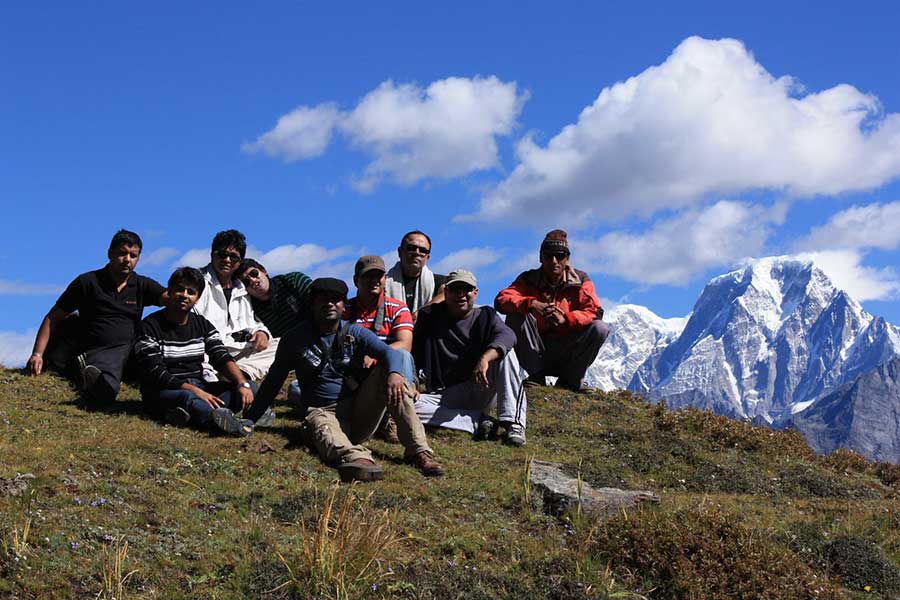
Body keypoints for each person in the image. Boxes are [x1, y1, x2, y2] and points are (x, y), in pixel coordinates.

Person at [245, 278, 444, 482]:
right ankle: (357, 459)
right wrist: (250, 419)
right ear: (312, 303)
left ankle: (418, 451)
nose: (330, 304)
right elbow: (273, 382)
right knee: (318, 422)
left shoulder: (354, 332)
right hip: (322, 412)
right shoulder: (294, 339)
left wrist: (395, 374)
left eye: (336, 299)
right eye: (323, 298)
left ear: (343, 306)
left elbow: (391, 354)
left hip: (357, 411)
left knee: (394, 373)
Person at [25, 229, 165, 402]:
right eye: (122, 253)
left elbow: (172, 299)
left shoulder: (142, 285)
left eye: (133, 255)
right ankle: (95, 383)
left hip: (129, 353)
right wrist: (37, 354)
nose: (127, 260)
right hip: (97, 351)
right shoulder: (87, 282)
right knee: (105, 384)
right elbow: (53, 317)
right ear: (110, 253)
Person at [134, 267, 257, 436]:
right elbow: (156, 372)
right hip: (164, 390)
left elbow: (220, 356)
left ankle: (191, 415)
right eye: (179, 289)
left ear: (197, 298)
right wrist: (195, 391)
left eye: (191, 292)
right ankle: (225, 424)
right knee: (186, 398)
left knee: (250, 386)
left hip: (199, 386)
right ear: (169, 291)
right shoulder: (149, 326)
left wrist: (241, 383)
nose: (184, 295)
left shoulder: (202, 324)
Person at [413, 269, 527, 446]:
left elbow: (508, 336)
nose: (460, 295)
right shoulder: (430, 317)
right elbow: (414, 354)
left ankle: (513, 423)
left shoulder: (485, 315)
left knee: (507, 353)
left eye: (465, 290)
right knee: (407, 404)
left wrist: (485, 358)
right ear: (446, 292)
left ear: (475, 292)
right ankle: (474, 421)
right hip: (444, 394)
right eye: (454, 290)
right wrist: (411, 383)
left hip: (481, 385)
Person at [494, 229, 609, 392]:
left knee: (600, 328)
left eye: (560, 256)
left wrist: (567, 319)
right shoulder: (528, 279)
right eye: (548, 256)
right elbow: (501, 300)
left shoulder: (581, 280)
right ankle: (536, 376)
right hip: (535, 349)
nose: (554, 261)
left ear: (567, 259)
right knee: (515, 314)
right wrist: (531, 303)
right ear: (541, 258)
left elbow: (595, 311)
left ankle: (571, 380)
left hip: (568, 348)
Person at [345, 255, 415, 442]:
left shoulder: (398, 308)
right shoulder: (345, 309)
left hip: (387, 370)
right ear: (356, 280)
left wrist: (376, 357)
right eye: (368, 276)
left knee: (402, 356)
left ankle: (392, 419)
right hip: (353, 373)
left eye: (379, 276)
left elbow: (405, 343)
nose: (374, 281)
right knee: (297, 390)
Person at [193, 230, 277, 382]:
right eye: (222, 254)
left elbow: (252, 321)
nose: (227, 260)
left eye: (233, 257)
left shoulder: (242, 287)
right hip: (205, 350)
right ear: (212, 255)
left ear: (240, 261)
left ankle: (238, 373)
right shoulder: (197, 279)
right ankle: (223, 375)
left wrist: (260, 332)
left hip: (236, 348)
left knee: (282, 345)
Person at [234, 259, 312, 338]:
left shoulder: (293, 280)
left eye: (254, 273)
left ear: (263, 271)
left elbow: (321, 302)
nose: (253, 281)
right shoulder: (251, 310)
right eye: (246, 281)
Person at [384, 230, 446, 320]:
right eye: (411, 248)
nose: (417, 253)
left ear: (427, 257)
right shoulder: (383, 283)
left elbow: (445, 294)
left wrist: (421, 313)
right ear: (400, 252)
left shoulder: (438, 281)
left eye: (423, 250)